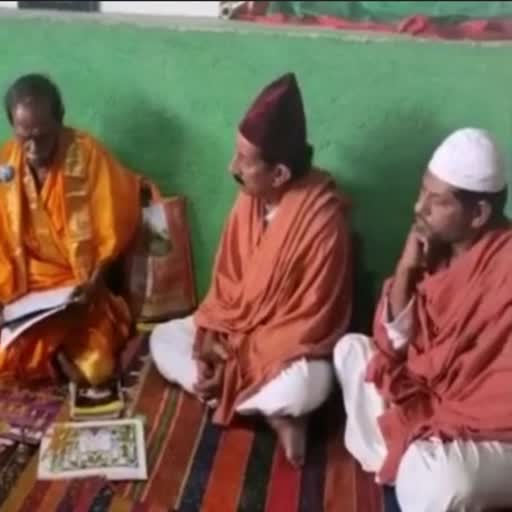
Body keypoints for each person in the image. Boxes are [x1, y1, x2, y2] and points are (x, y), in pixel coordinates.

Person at [149, 72, 353, 466]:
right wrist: (211, 340)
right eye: (236, 154)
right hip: (236, 337)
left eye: (244, 160)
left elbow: (311, 322)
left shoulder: (323, 221)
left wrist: (235, 359)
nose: (233, 167)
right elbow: (226, 291)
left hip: (286, 347)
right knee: (163, 339)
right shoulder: (250, 199)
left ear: (279, 174)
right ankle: (271, 414)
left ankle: (263, 404)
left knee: (305, 386)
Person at [334, 128, 512, 511]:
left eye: (436, 201)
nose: (419, 208)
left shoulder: (506, 268)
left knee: (446, 481)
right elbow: (393, 346)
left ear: (479, 213)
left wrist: (442, 420)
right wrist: (405, 271)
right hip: (434, 402)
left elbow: (503, 392)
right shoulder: (438, 248)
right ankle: (407, 464)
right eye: (422, 192)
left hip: (489, 429)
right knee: (351, 351)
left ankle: (408, 464)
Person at [0, 74, 142, 387]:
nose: (31, 147)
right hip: (22, 292)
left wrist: (94, 282)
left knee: (96, 368)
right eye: (23, 136)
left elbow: (115, 228)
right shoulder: (4, 163)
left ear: (60, 121)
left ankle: (38, 357)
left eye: (41, 136)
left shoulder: (89, 155)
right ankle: (50, 359)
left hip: (76, 295)